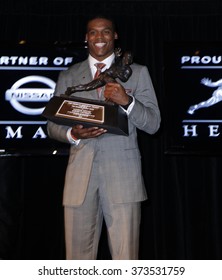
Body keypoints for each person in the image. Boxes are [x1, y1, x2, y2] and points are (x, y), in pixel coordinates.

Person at [47, 15, 161, 260]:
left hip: (123, 178)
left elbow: (153, 124)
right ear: (86, 38)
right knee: (76, 262)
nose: (99, 37)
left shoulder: (137, 73)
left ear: (115, 36)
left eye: (106, 32)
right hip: (80, 179)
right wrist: (72, 133)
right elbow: (52, 125)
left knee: (125, 260)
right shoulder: (69, 75)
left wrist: (127, 101)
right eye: (93, 32)